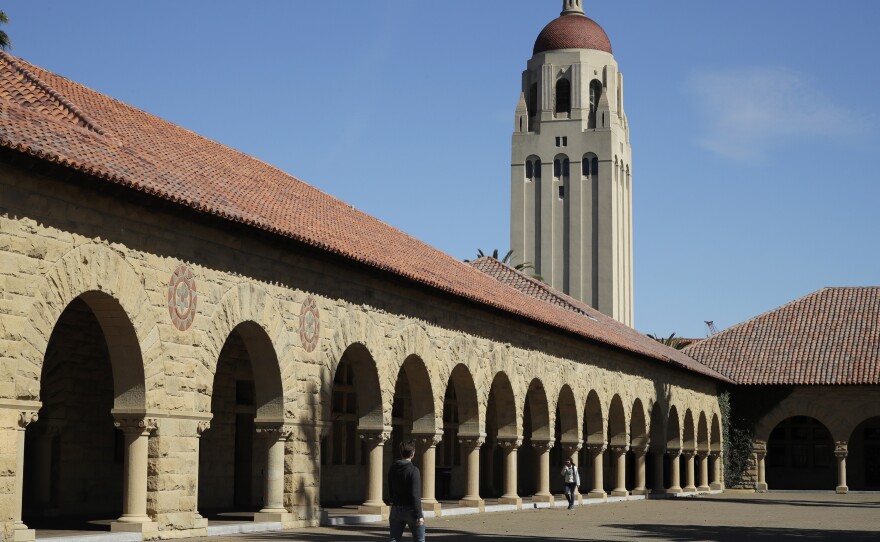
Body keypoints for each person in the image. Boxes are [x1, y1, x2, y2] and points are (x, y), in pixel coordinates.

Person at [388, 439, 426, 541]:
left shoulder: (392, 468)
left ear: (400, 452)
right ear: (413, 453)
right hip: (411, 510)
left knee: (394, 539)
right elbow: (415, 494)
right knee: (420, 539)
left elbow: (390, 490)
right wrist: (419, 515)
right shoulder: (414, 470)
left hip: (396, 508)